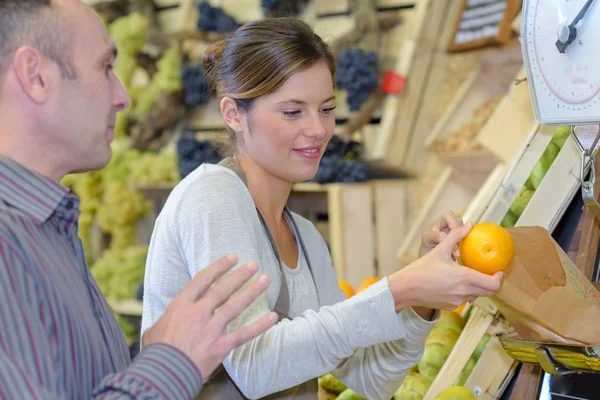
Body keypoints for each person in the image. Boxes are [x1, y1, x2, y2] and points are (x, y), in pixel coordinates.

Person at [141, 18, 504, 400]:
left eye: (327, 108)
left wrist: (421, 301)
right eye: (293, 112)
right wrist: (400, 287)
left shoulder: (307, 239)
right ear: (233, 114)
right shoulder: (211, 196)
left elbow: (373, 380)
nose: (318, 129)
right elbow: (253, 367)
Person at [0, 0, 277, 398]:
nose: (123, 96)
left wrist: (152, 358)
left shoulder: (45, 228)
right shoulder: (8, 242)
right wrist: (172, 362)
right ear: (35, 76)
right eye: (105, 67)